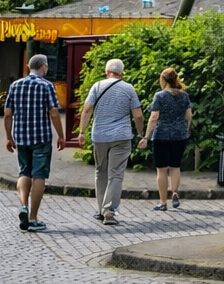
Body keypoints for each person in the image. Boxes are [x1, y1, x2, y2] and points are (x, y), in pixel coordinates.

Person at [3, 53, 67, 233]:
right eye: (47, 66)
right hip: (41, 138)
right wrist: (61, 136)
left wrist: (9, 136)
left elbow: (8, 113)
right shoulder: (47, 86)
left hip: (21, 137)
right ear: (43, 66)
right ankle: (33, 218)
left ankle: (23, 205)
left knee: (24, 172)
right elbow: (54, 112)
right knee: (39, 175)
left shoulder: (15, 85)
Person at [80, 58, 144, 226]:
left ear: (106, 71)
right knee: (116, 174)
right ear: (121, 73)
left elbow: (87, 109)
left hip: (100, 135)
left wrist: (81, 131)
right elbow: (138, 115)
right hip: (121, 137)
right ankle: (109, 210)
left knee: (100, 171)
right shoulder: (129, 88)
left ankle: (101, 209)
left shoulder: (97, 86)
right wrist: (140, 133)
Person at [138, 67, 193, 211]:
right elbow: (189, 115)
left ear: (162, 80)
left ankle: (163, 202)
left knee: (161, 170)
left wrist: (146, 136)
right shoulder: (184, 95)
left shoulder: (160, 96)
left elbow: (154, 117)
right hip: (179, 135)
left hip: (162, 135)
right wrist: (186, 130)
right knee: (175, 166)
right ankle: (175, 192)